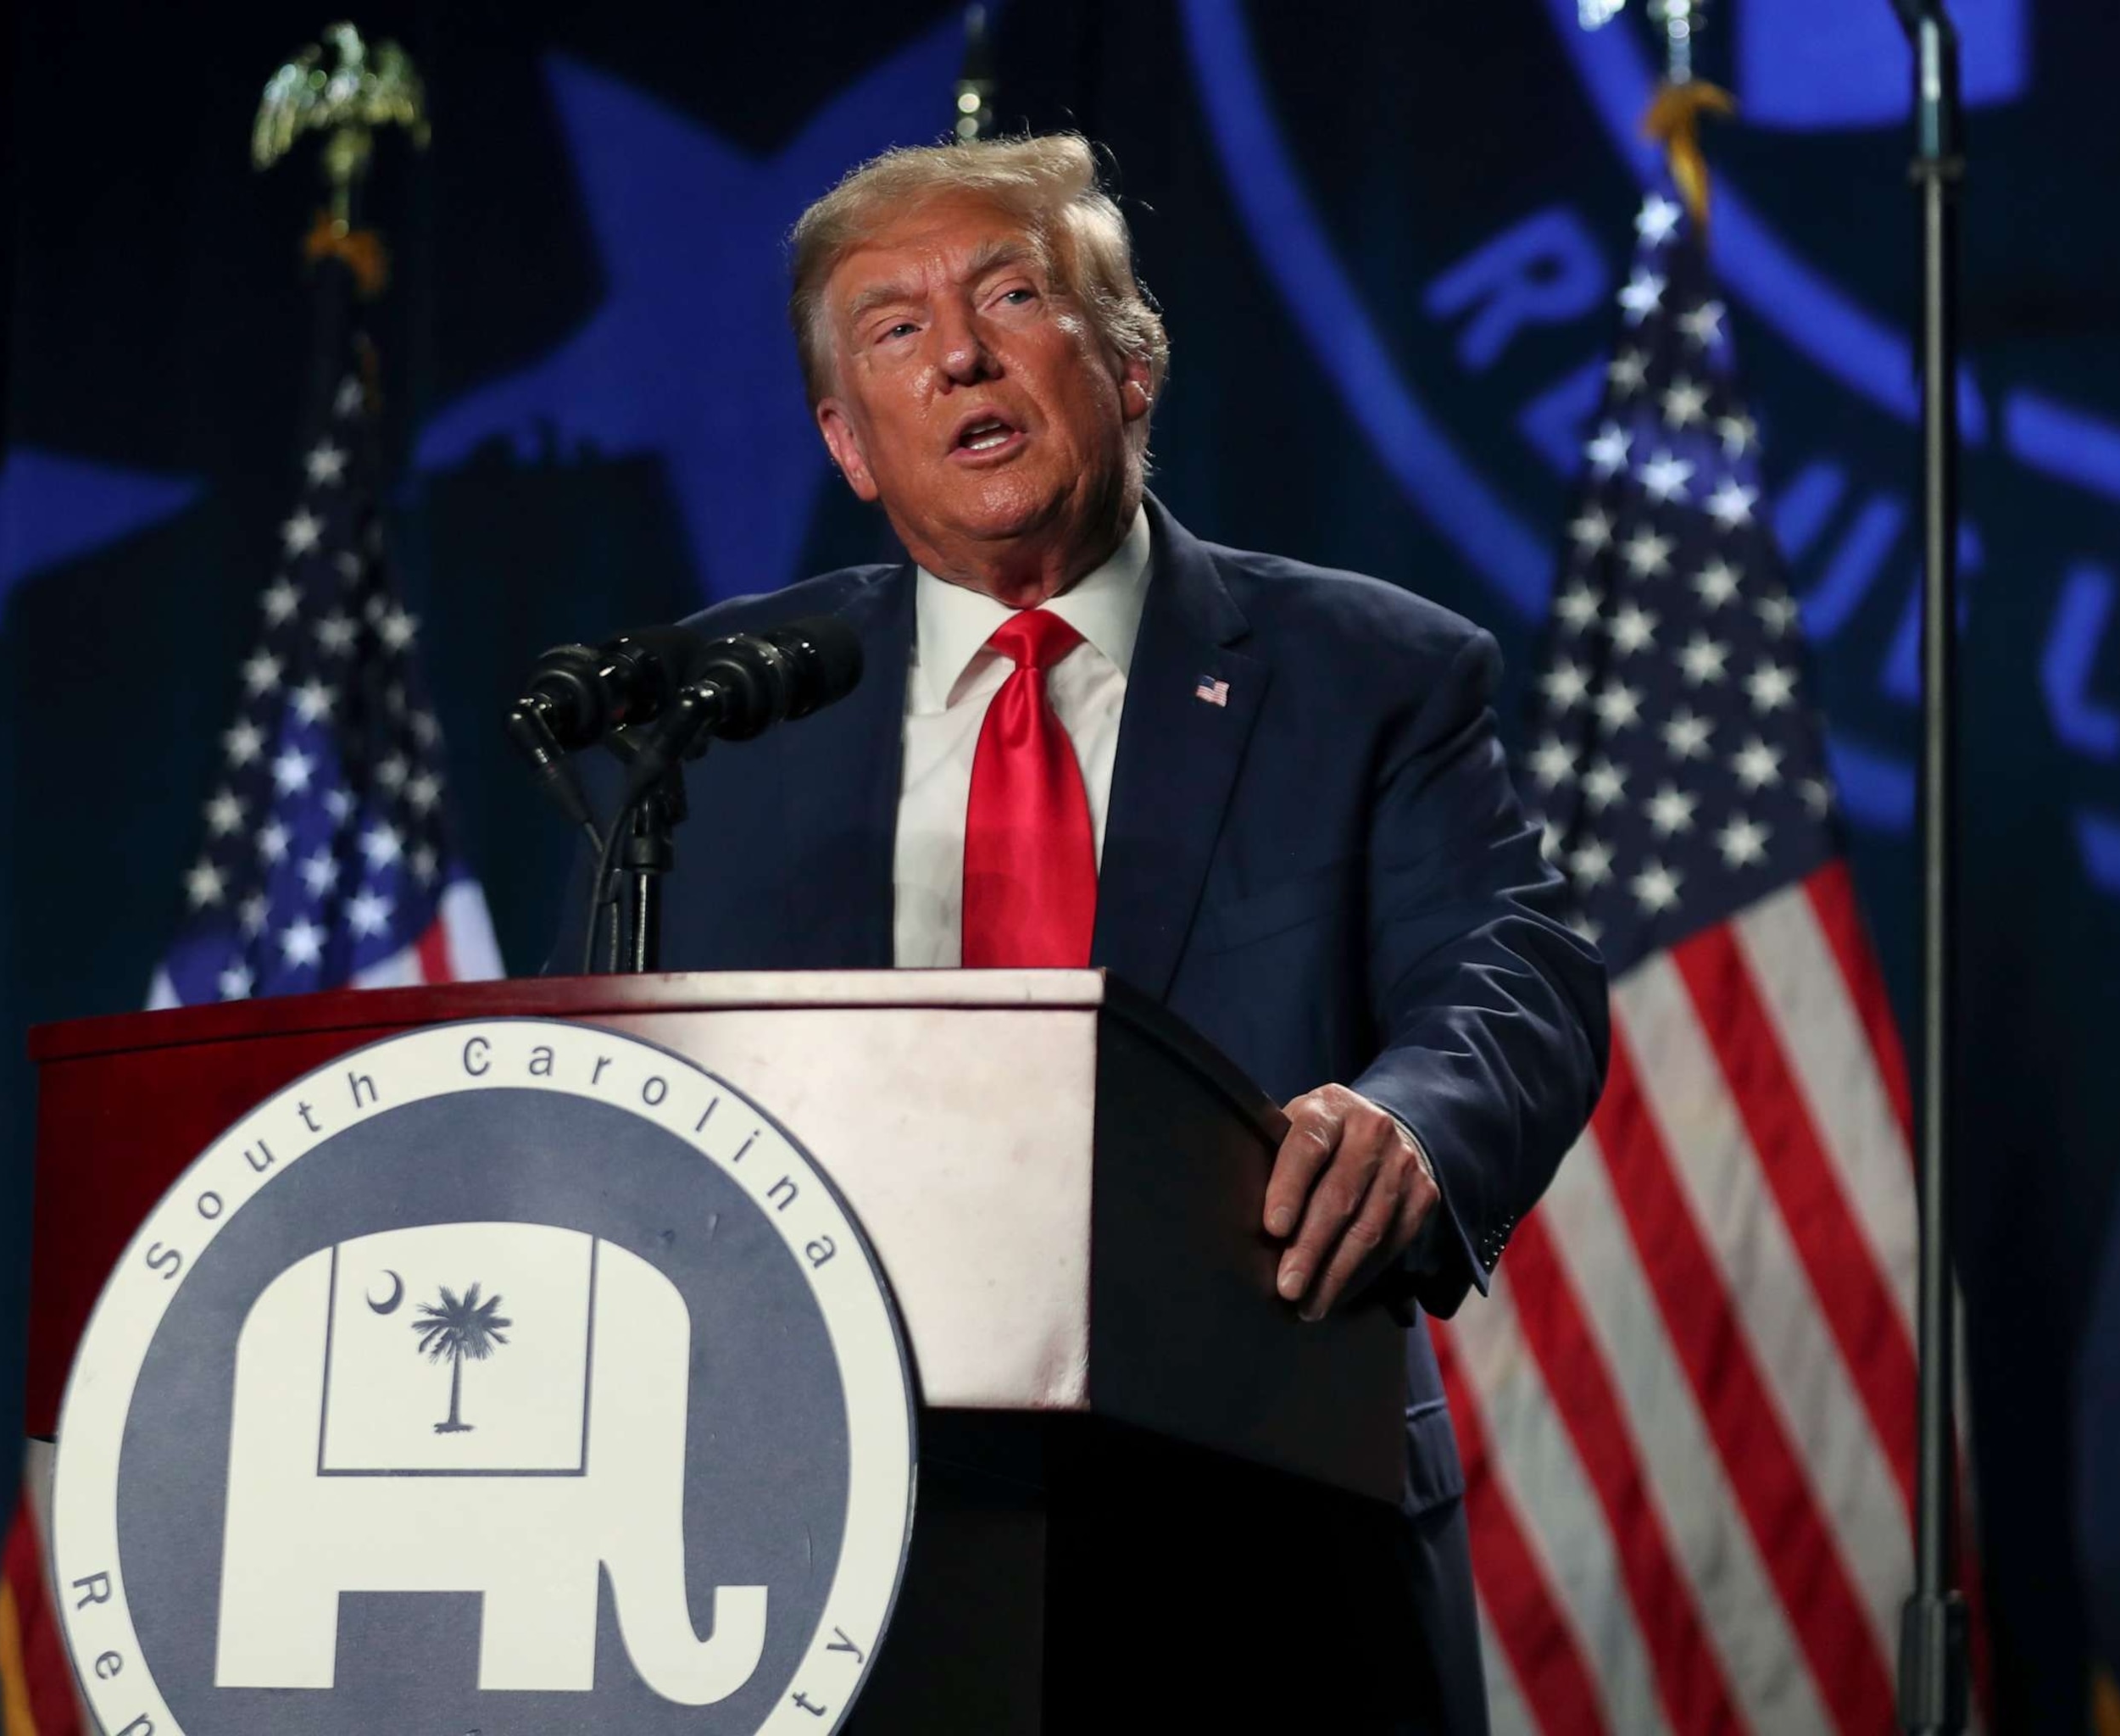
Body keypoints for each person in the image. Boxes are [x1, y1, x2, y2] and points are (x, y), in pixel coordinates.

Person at [556, 133, 1606, 1733]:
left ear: (1131, 370)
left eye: (1013, 294)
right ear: (849, 440)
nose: (959, 351)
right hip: (819, 1533)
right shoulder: (718, 714)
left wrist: (1410, 1118)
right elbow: (611, 1094)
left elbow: (1509, 971)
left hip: (1259, 1513)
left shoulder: (1367, 673)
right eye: (894, 330)